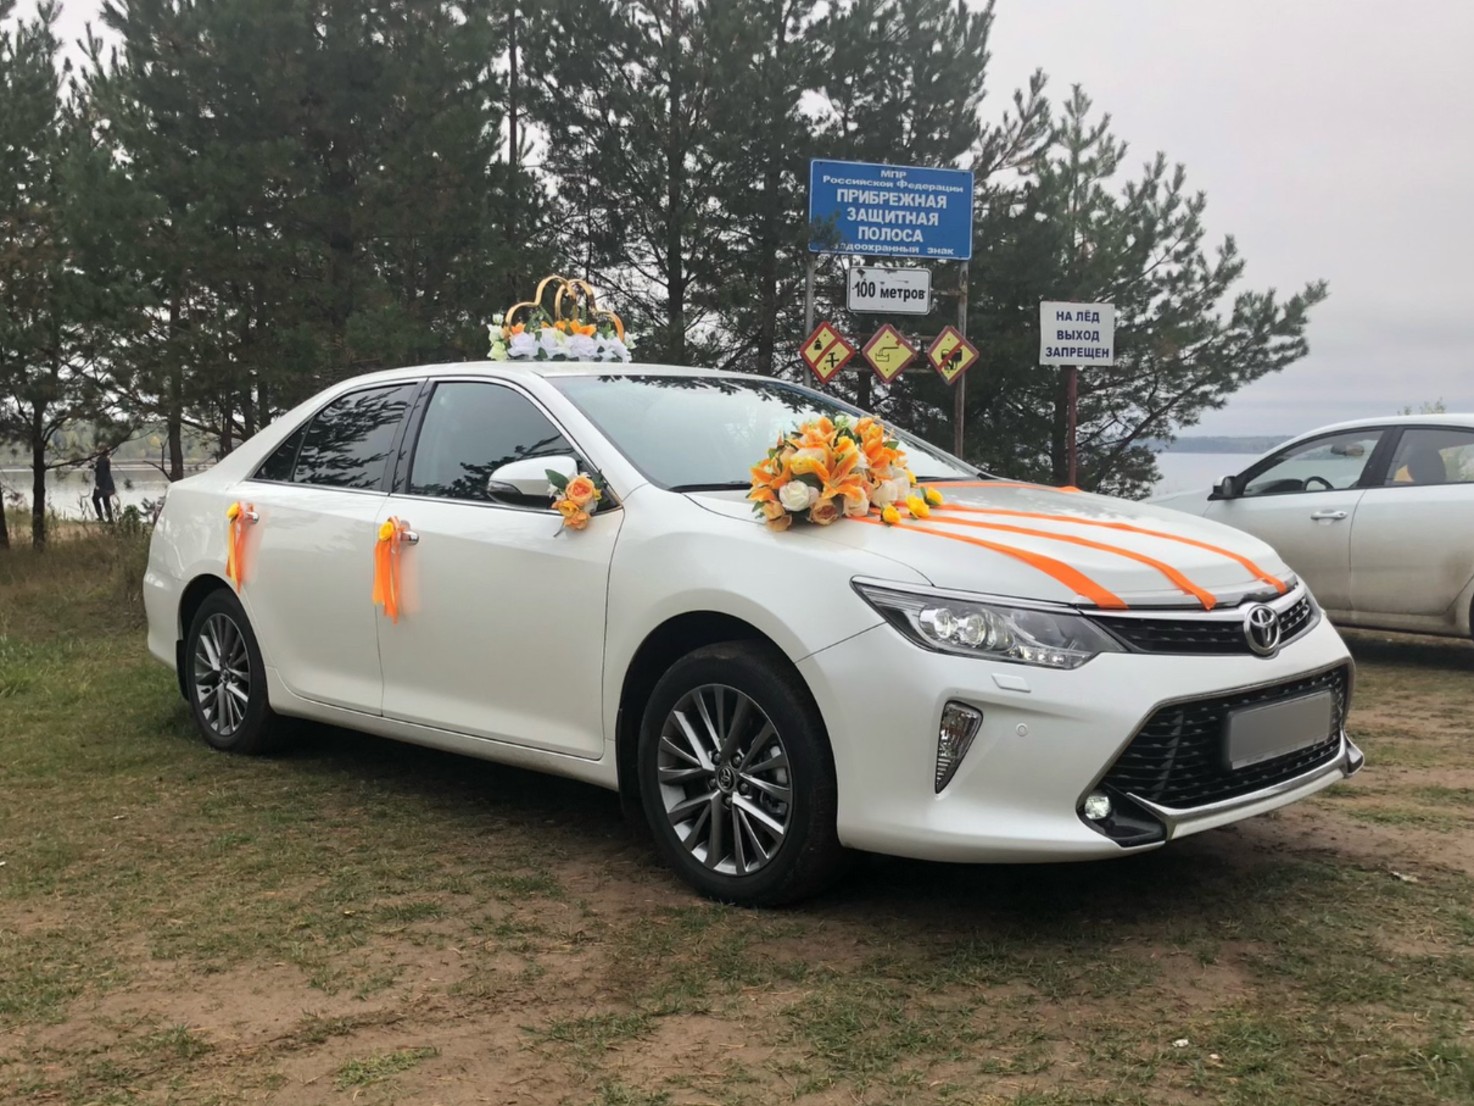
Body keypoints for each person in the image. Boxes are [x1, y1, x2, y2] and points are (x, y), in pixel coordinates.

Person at [92, 447, 116, 523]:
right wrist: (95, 468)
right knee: (106, 500)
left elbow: (101, 473)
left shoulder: (101, 460)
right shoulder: (106, 460)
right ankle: (110, 519)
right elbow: (102, 471)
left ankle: (101, 517)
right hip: (108, 483)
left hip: (102, 484)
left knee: (95, 499)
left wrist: (98, 484)